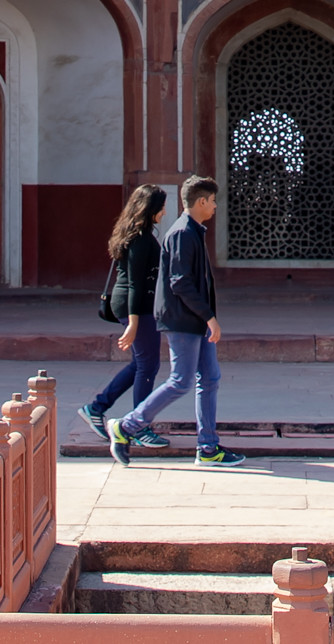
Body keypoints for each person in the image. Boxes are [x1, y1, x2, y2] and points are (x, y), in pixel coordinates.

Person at [108, 175, 240, 467]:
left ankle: (208, 447)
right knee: (181, 381)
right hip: (182, 319)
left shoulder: (193, 231)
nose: (215, 206)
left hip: (195, 319)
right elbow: (180, 282)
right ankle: (126, 426)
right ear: (201, 201)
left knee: (210, 378)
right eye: (213, 201)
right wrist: (209, 317)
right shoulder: (182, 233)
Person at [82, 184, 167, 439]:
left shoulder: (137, 234)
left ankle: (97, 407)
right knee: (148, 365)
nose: (164, 212)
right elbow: (135, 284)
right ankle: (139, 427)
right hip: (136, 307)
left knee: (142, 363)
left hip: (136, 305)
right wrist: (133, 323)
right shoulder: (140, 239)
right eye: (161, 207)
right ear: (150, 209)